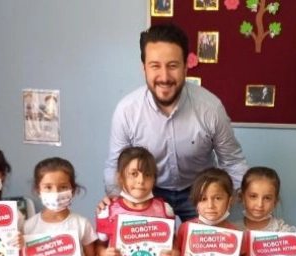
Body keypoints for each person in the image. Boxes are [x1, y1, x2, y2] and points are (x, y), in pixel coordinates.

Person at [103, 23, 248, 222]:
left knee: (205, 242)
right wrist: (118, 201)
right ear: (144, 68)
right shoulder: (126, 111)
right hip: (147, 190)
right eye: (155, 66)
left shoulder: (211, 108)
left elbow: (232, 161)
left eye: (172, 66)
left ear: (185, 66)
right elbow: (115, 164)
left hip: (201, 191)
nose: (164, 77)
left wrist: (233, 201)